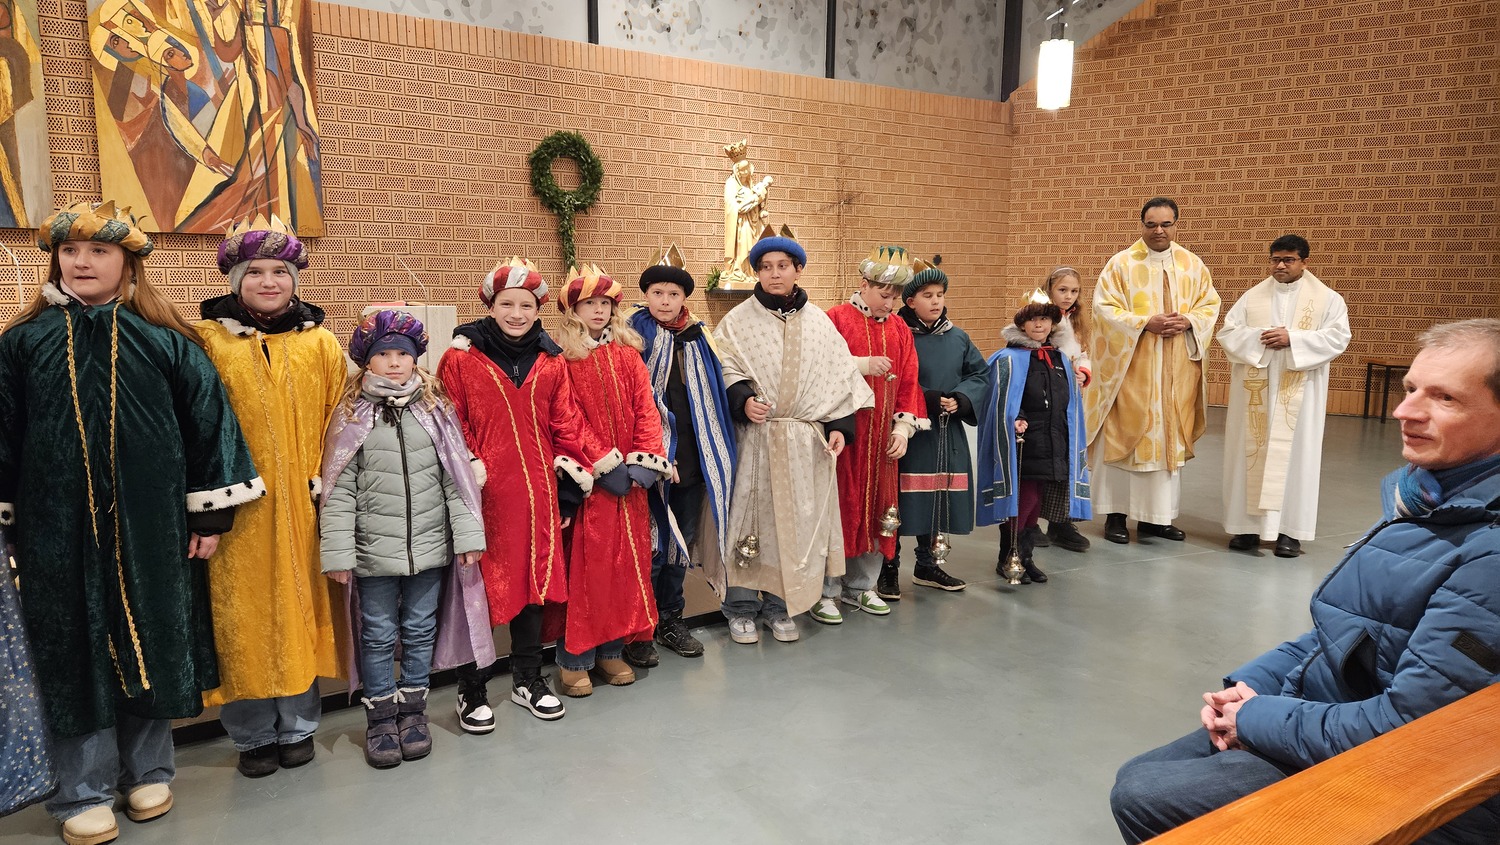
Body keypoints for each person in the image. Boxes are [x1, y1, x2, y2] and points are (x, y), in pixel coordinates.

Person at [1110, 318, 1500, 844]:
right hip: (1337, 709)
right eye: (1410, 389)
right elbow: (1349, 631)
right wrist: (1252, 686)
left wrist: (1254, 720)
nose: (1404, 411)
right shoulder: (1432, 497)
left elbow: (1417, 730)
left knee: (1147, 797)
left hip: (1417, 776)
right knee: (1137, 775)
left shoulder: (1487, 553)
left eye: (1445, 398)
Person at [0, 201, 261, 845]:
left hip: (152, 527)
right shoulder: (22, 343)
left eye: (98, 251)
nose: (81, 262)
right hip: (55, 531)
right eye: (69, 251)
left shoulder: (168, 341)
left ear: (129, 263)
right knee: (73, 650)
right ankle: (81, 790)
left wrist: (212, 512)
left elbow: (210, 426)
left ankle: (148, 770)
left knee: (152, 637)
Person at [196, 215, 348, 779]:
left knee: (299, 610)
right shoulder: (208, 341)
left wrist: (329, 489)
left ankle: (299, 725)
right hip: (236, 514)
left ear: (294, 279)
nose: (268, 281)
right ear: (237, 279)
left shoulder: (320, 342)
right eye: (255, 271)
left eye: (279, 271)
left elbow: (341, 421)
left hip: (303, 507)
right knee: (241, 617)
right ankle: (252, 733)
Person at [437, 257, 619, 729]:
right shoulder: (460, 358)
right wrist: (471, 475)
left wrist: (568, 490)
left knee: (535, 587)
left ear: (538, 309)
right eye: (507, 304)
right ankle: (471, 688)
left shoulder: (551, 360)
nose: (516, 314)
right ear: (490, 305)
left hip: (539, 495)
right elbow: (452, 423)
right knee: (479, 591)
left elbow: (565, 424)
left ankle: (527, 679)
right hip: (483, 498)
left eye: (526, 305)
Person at [318, 310, 488, 769]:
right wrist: (338, 552)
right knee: (376, 635)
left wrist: (468, 536)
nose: (394, 362)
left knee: (419, 631)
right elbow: (338, 489)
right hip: (372, 553)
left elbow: (455, 479)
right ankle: (380, 718)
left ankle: (413, 714)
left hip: (429, 550)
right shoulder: (352, 415)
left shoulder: (435, 411)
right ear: (366, 361)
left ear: (415, 359)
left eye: (402, 354)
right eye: (384, 354)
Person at [710, 235, 872, 644]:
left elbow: (839, 376)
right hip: (757, 439)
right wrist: (743, 400)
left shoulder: (819, 322)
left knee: (794, 527)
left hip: (803, 444)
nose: (775, 274)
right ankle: (740, 608)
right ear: (757, 273)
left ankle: (780, 607)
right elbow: (723, 366)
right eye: (766, 267)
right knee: (749, 521)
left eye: (783, 266)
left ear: (798, 269)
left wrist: (840, 427)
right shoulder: (738, 321)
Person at [548, 264, 668, 697]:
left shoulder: (628, 356)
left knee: (625, 570)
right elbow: (565, 416)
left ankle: (611, 650)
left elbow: (646, 409)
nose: (598, 310)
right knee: (588, 571)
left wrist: (643, 460)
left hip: (630, 486)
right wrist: (603, 463)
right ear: (573, 310)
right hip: (590, 484)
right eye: (589, 303)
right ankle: (575, 658)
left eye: (604, 303)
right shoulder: (562, 358)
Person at [1085, 197, 1220, 544]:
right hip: (1131, 371)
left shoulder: (1192, 265)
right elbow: (1104, 309)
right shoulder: (1121, 264)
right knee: (1124, 439)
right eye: (1151, 224)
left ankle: (1155, 519)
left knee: (1165, 444)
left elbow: (1209, 305)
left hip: (1175, 372)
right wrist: (1145, 323)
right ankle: (1116, 515)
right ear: (1142, 225)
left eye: (1165, 224)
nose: (1158, 230)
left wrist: (1188, 321)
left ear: (1176, 225)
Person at [625, 253, 737, 666]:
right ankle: (638, 627)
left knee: (678, 545)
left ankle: (671, 619)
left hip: (691, 459)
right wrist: (655, 452)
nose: (665, 301)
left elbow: (715, 394)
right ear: (646, 295)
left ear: (683, 298)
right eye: (658, 293)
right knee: (649, 546)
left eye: (673, 294)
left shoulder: (699, 337)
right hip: (648, 459)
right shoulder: (631, 334)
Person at [1218, 235, 1350, 558]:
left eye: (1288, 260)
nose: (1280, 266)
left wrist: (1293, 339)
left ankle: (1290, 532)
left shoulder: (1328, 300)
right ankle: (1247, 529)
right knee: (1249, 455)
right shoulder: (1252, 297)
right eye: (1275, 259)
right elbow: (1228, 332)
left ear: (1304, 262)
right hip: (1256, 394)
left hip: (1300, 395)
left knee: (1296, 459)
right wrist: (1262, 338)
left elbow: (1338, 337)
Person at [817, 246, 928, 624]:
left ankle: (862, 586)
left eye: (896, 296)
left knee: (880, 510)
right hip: (843, 437)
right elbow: (817, 367)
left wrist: (903, 429)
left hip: (882, 442)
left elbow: (910, 379)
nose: (890, 303)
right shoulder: (835, 319)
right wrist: (861, 365)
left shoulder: (899, 328)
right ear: (864, 285)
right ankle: (826, 590)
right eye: (884, 294)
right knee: (839, 509)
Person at [887, 259, 990, 598]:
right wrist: (925, 398)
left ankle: (927, 564)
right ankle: (889, 566)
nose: (935, 301)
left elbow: (980, 374)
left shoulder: (958, 337)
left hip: (946, 431)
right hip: (907, 431)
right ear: (910, 301)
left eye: (940, 295)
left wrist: (961, 399)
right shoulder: (897, 332)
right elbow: (892, 378)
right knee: (899, 499)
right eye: (927, 295)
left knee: (935, 497)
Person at [977, 293, 1091, 585]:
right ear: (1022, 324)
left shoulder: (1059, 359)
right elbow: (1001, 398)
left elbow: (1066, 401)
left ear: (1052, 323)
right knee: (1022, 500)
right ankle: (1009, 557)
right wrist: (1016, 417)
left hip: (1052, 441)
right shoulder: (1008, 359)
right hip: (1024, 442)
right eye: (1033, 319)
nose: (1039, 325)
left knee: (1037, 501)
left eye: (1044, 319)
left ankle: (1025, 558)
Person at [1033, 266, 1093, 553]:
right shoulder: (1039, 319)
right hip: (1043, 399)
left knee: (1066, 457)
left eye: (1074, 291)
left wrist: (1083, 371)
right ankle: (1029, 521)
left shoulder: (1077, 321)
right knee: (1040, 456)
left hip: (1070, 400)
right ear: (1049, 290)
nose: (1069, 296)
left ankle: (1061, 521)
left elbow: (1083, 354)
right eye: (1062, 290)